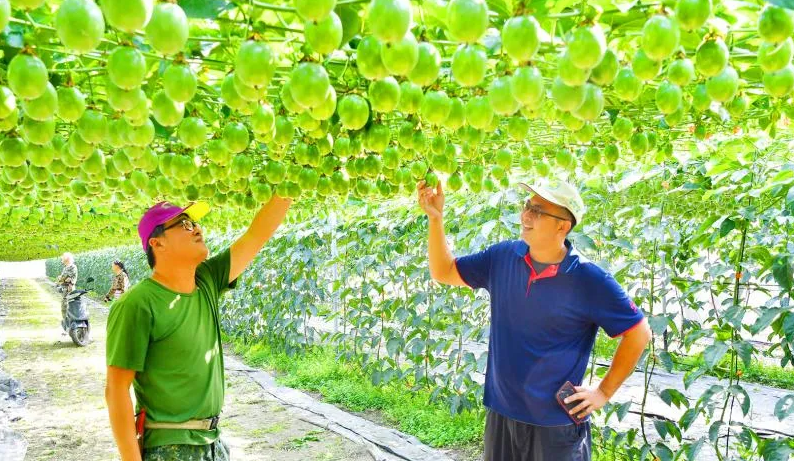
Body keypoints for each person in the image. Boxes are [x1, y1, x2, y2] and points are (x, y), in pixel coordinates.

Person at [417, 178, 652, 461]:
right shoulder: (502, 257)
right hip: (502, 413)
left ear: (562, 226)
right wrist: (436, 219)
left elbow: (639, 333)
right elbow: (444, 271)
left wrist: (602, 392)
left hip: (555, 425)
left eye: (538, 211)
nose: (526, 215)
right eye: (527, 206)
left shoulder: (590, 279)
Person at [105, 197, 292, 461]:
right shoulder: (137, 304)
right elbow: (116, 389)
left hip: (213, 442)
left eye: (194, 222)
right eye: (183, 224)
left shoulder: (206, 281)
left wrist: (288, 187)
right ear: (157, 243)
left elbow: (255, 236)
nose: (196, 228)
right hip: (170, 448)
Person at [55, 252, 78, 331]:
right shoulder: (65, 268)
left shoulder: (72, 267)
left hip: (69, 290)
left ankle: (72, 326)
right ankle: (67, 326)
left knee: (69, 307)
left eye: (63, 258)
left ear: (67, 259)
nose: (62, 259)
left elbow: (68, 278)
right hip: (64, 290)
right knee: (64, 308)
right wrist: (62, 279)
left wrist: (63, 279)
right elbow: (61, 278)